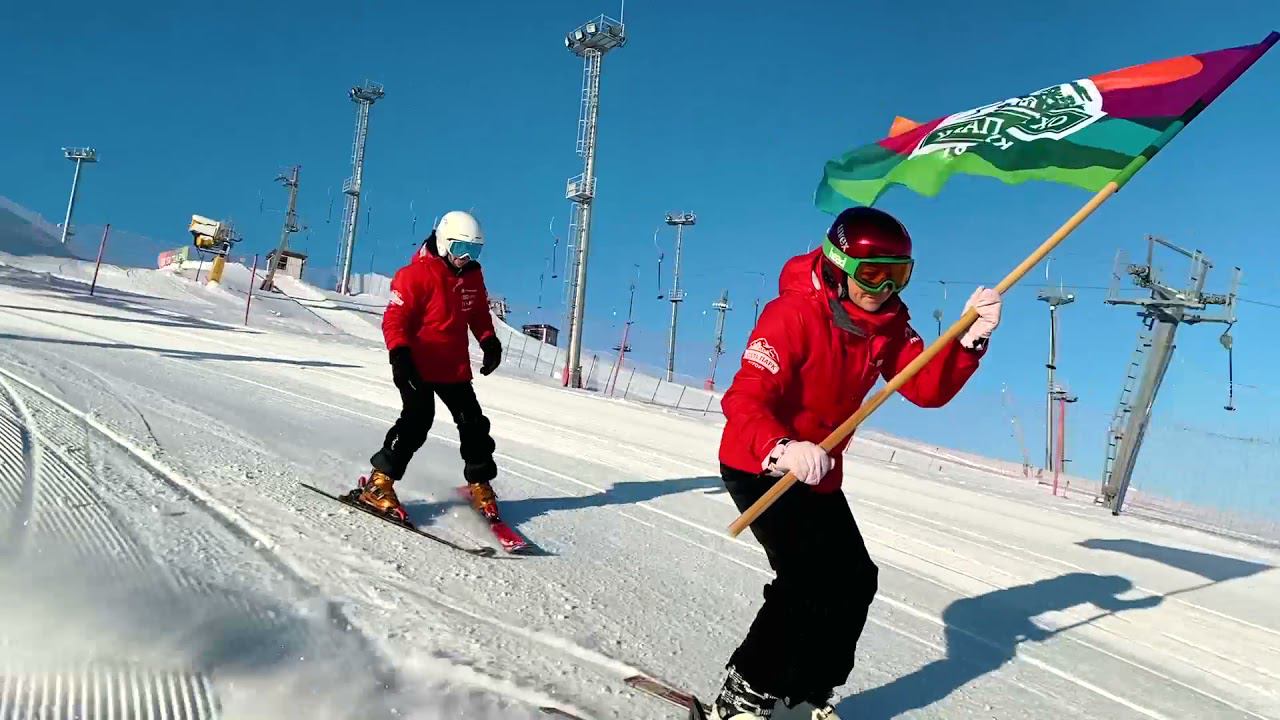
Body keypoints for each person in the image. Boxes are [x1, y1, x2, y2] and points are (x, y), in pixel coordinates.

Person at [707, 206, 1002, 720]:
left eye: (898, 275)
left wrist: (968, 338)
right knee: (805, 580)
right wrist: (782, 448)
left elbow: (925, 387)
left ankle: (805, 696)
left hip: (819, 475)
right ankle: (743, 696)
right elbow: (744, 398)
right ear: (839, 264)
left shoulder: (889, 326)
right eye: (872, 273)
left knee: (855, 580)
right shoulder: (792, 314)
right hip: (762, 464)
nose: (883, 287)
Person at [353, 210, 505, 523]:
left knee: (473, 424)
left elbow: (477, 312)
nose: (466, 257)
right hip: (416, 364)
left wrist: (489, 341)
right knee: (418, 419)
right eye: (461, 249)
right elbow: (394, 319)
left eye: (474, 251)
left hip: (452, 366)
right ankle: (379, 483)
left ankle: (479, 481)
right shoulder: (415, 275)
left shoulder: (472, 275)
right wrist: (399, 356)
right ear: (444, 241)